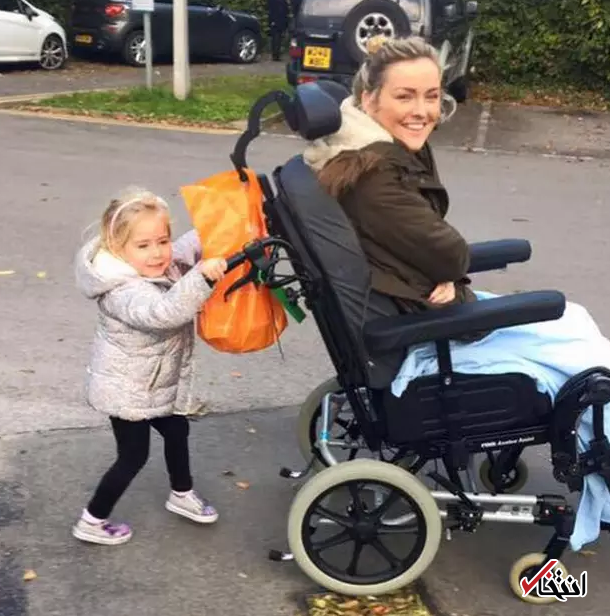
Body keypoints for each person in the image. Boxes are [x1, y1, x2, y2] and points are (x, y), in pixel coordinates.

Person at [302, 35, 610, 552]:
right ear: (370, 98)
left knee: (572, 319)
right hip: (418, 329)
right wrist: (441, 271)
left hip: (410, 303)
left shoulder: (366, 152)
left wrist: (441, 271)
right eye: (405, 96)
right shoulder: (376, 177)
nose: (423, 110)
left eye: (431, 95)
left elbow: (432, 252)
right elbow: (446, 251)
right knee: (591, 369)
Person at [72, 187, 228, 546]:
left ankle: (181, 493)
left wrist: (217, 228)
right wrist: (202, 277)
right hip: (127, 392)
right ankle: (92, 520)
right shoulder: (123, 291)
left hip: (150, 385)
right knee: (133, 456)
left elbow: (183, 251)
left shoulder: (154, 264)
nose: (157, 252)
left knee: (176, 429)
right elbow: (163, 313)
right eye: (143, 245)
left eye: (162, 240)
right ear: (117, 247)